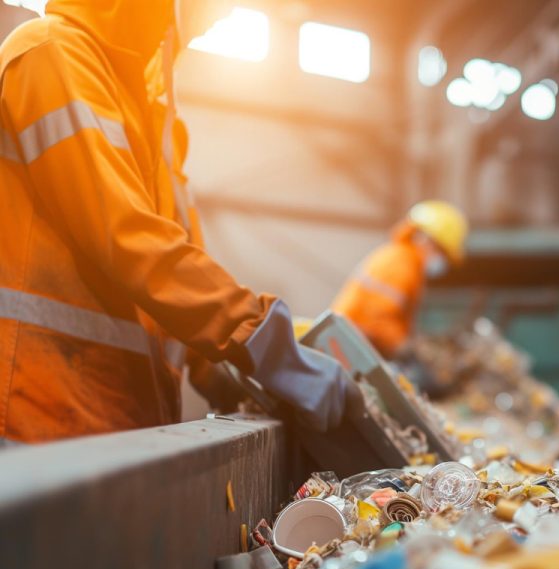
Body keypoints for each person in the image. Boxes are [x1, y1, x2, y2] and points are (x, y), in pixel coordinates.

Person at [0, 0, 361, 446]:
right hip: (41, 414)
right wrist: (267, 348)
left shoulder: (155, 114)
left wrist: (221, 371)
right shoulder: (51, 55)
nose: (225, 14)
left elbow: (177, 264)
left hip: (125, 419)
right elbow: (129, 237)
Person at [332, 201, 468, 359]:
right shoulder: (401, 264)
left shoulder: (403, 260)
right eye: (442, 252)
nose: (442, 260)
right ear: (426, 240)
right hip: (345, 350)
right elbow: (379, 320)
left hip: (349, 346)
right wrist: (408, 348)